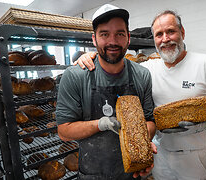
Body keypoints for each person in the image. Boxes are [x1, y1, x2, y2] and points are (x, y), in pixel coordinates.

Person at [75, 10, 206, 180]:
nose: (165, 39)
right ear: (154, 39)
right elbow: (116, 62)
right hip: (159, 154)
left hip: (193, 157)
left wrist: (203, 125)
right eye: (159, 34)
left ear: (182, 32)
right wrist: (91, 56)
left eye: (171, 31)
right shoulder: (148, 68)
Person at [56, 4, 156, 180]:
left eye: (119, 33)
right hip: (92, 174)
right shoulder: (75, 76)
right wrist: (100, 124)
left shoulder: (142, 75)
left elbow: (150, 121)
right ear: (94, 39)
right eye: (104, 34)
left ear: (128, 38)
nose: (113, 41)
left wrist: (140, 144)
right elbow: (64, 131)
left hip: (133, 174)